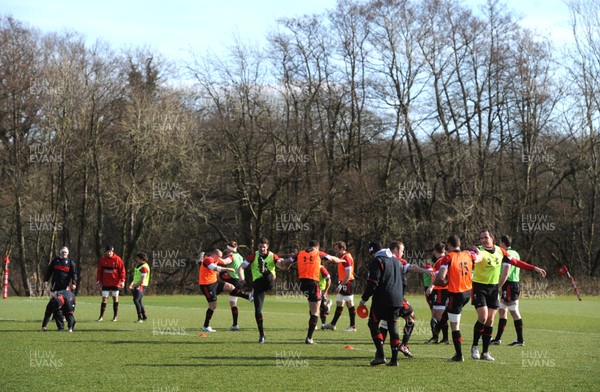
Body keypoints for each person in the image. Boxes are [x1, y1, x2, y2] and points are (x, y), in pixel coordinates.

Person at [471, 229, 547, 361]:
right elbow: (475, 257)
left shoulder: (500, 251)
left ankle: (485, 352)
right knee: (482, 318)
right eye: (481, 238)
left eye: (486, 237)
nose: (483, 240)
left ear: (492, 237)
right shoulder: (478, 250)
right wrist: (473, 257)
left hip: (493, 289)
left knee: (490, 320)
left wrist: (534, 268)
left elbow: (516, 263)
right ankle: (474, 346)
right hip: (479, 287)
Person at [359, 241, 412, 366]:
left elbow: (373, 282)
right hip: (397, 300)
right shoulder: (397, 261)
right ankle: (394, 360)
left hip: (382, 299)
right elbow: (404, 282)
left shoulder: (377, 261)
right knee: (393, 328)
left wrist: (364, 299)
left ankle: (381, 355)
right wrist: (401, 297)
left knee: (372, 324)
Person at [283, 240, 342, 344]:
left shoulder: (300, 253)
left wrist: (283, 261)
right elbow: (333, 259)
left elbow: (286, 262)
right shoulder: (318, 253)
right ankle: (309, 338)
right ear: (317, 247)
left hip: (302, 284)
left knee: (314, 307)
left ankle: (325, 307)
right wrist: (342, 261)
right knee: (315, 312)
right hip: (313, 283)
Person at [433, 235, 481, 362]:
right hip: (467, 292)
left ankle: (459, 355)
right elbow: (479, 258)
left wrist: (437, 284)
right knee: (447, 314)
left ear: (448, 245)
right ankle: (439, 325)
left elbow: (441, 278)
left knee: (455, 326)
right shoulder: (468, 254)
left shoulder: (448, 257)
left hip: (456, 293)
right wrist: (478, 250)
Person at [379, 240, 433, 345]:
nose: (403, 253)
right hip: (396, 297)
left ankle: (379, 351)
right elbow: (412, 267)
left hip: (383, 296)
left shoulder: (381, 259)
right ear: (395, 250)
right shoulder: (398, 261)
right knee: (411, 318)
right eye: (402, 251)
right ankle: (403, 345)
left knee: (385, 323)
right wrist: (426, 271)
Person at [238, 238, 285, 343]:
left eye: (264, 247)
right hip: (258, 284)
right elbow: (241, 267)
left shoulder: (273, 256)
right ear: (257, 247)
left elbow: (281, 265)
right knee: (258, 311)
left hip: (269, 281)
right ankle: (261, 335)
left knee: (269, 276)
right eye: (260, 247)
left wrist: (284, 262)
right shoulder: (254, 256)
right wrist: (242, 279)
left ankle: (265, 270)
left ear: (267, 246)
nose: (262, 248)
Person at [199, 248, 251, 333]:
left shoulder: (213, 260)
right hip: (207, 286)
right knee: (213, 306)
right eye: (219, 256)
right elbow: (214, 268)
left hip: (214, 283)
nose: (220, 258)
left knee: (230, 287)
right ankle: (206, 326)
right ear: (215, 255)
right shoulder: (208, 259)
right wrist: (227, 269)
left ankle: (248, 296)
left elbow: (214, 265)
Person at [491, 235, 525, 346]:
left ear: (503, 243)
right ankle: (497, 339)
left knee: (514, 311)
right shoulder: (516, 253)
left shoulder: (508, 254)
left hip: (510, 284)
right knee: (502, 310)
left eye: (499, 242)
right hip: (511, 285)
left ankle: (520, 340)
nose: (499, 244)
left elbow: (506, 273)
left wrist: (497, 287)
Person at [322, 241, 356, 332]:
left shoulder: (346, 258)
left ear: (342, 249)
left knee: (349, 303)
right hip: (343, 282)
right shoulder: (342, 257)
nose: (335, 250)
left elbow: (348, 275)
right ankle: (333, 325)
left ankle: (353, 326)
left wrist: (341, 285)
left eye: (336, 249)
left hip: (347, 283)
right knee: (339, 303)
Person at [425, 242, 449, 344]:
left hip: (440, 290)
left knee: (437, 315)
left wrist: (432, 286)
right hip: (443, 290)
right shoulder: (446, 259)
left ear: (435, 251)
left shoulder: (440, 261)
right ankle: (444, 338)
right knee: (440, 315)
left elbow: (440, 277)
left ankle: (436, 338)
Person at [96, 245, 126, 322]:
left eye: (110, 251)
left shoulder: (118, 259)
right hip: (105, 283)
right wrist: (98, 280)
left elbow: (122, 271)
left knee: (115, 298)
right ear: (105, 252)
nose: (109, 253)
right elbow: (99, 271)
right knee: (104, 299)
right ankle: (101, 316)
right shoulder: (103, 260)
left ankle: (115, 316)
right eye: (107, 251)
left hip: (115, 283)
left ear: (113, 251)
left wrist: (122, 281)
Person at [220, 242, 245, 331]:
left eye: (227, 248)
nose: (226, 250)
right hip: (239, 281)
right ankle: (235, 325)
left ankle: (235, 325)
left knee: (233, 303)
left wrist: (215, 258)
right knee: (233, 302)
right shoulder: (240, 256)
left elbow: (225, 262)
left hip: (234, 281)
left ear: (230, 249)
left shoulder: (230, 256)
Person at [129, 252, 150, 323]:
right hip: (137, 285)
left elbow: (142, 280)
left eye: (137, 257)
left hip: (141, 285)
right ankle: (144, 316)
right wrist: (132, 283)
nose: (136, 258)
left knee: (136, 300)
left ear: (141, 258)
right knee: (139, 301)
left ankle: (140, 318)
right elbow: (136, 277)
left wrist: (134, 285)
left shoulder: (144, 267)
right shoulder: (139, 265)